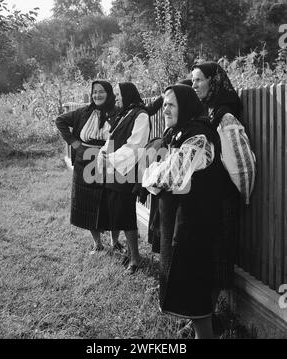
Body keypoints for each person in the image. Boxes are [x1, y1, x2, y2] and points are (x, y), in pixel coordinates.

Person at [142, 84, 223, 339]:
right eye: (164, 103)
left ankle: (205, 334)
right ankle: (194, 324)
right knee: (183, 277)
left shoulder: (199, 136)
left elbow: (169, 175)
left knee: (193, 281)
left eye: (171, 104)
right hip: (179, 218)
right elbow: (159, 172)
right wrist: (155, 173)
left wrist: (152, 173)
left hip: (195, 222)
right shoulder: (178, 133)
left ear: (186, 106)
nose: (165, 108)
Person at [191, 62, 255, 323]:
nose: (193, 85)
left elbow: (242, 164)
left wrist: (244, 194)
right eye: (193, 81)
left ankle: (209, 315)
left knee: (218, 256)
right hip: (208, 198)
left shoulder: (225, 115)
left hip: (221, 199)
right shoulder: (209, 111)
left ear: (213, 81)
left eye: (198, 80)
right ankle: (203, 314)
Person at [55, 80, 122, 254]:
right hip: (85, 161)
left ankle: (116, 242)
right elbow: (60, 120)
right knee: (88, 202)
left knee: (112, 202)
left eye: (101, 91)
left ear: (109, 93)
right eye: (94, 92)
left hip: (110, 162)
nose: (97, 95)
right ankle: (97, 243)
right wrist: (74, 143)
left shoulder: (118, 114)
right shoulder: (83, 112)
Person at [98, 82, 150, 274]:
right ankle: (129, 252)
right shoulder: (125, 113)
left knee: (126, 214)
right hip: (115, 169)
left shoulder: (141, 115)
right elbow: (111, 138)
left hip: (128, 170)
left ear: (128, 94)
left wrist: (111, 157)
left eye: (119, 94)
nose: (117, 97)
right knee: (117, 212)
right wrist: (104, 153)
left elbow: (135, 145)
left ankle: (136, 258)